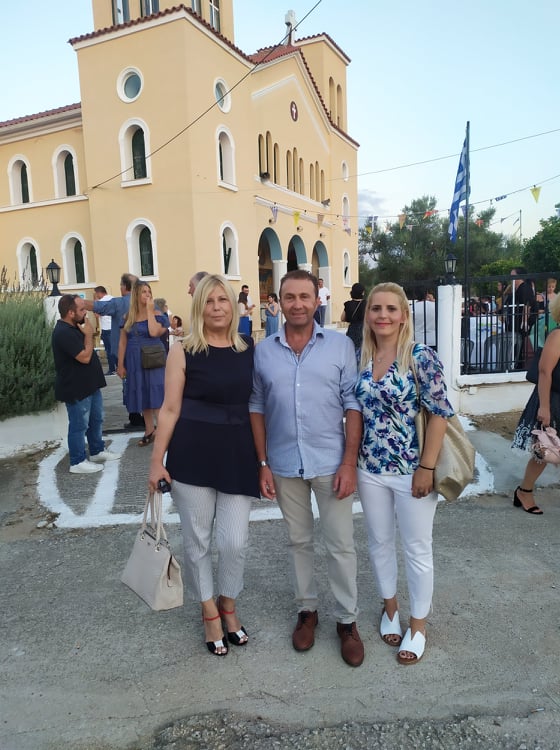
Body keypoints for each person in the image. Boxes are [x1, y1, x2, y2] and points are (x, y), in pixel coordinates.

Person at [249, 270, 364, 668]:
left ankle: (347, 621)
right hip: (283, 463)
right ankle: (307, 611)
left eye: (304, 297)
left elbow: (353, 404)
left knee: (340, 544)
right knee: (298, 541)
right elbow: (256, 406)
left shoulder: (340, 346)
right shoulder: (263, 351)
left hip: (331, 463)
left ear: (318, 301)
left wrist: (349, 462)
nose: (297, 304)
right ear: (278, 302)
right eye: (289, 297)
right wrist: (263, 463)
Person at [148, 274, 259, 656]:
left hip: (238, 453)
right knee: (197, 541)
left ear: (233, 305)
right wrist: (156, 461)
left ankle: (229, 602)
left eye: (222, 300)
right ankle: (210, 611)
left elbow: (260, 404)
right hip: (192, 453)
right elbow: (169, 409)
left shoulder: (249, 348)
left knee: (234, 541)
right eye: (209, 301)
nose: (216, 307)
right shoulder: (182, 350)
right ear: (199, 306)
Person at [355, 282, 454, 666]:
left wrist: (426, 467)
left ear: (404, 316)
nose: (383, 315)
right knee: (379, 542)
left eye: (390, 309)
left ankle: (418, 626)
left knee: (417, 548)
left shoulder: (419, 356)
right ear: (368, 315)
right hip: (369, 469)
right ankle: (391, 608)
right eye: (376, 308)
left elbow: (440, 413)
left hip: (412, 470)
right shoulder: (363, 356)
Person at [52, 294, 122, 474]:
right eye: (82, 309)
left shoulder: (76, 326)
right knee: (79, 425)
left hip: (89, 384)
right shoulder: (63, 332)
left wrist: (87, 332)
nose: (86, 312)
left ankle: (97, 450)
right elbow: (84, 357)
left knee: (96, 420)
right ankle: (77, 461)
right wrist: (89, 335)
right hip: (76, 387)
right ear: (70, 313)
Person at [512, 293, 560, 515]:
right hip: (552, 399)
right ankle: (524, 491)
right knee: (544, 450)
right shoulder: (557, 336)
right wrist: (544, 407)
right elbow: (544, 372)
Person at [83, 273, 143, 429]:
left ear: (124, 287)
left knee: (129, 383)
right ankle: (147, 415)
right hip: (144, 350)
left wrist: (76, 302)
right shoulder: (146, 301)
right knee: (144, 382)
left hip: (125, 351)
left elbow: (98, 307)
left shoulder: (119, 303)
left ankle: (135, 416)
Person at [117, 281, 168, 446]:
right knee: (142, 394)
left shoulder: (157, 313)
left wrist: (150, 311)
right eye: (144, 292)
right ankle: (149, 430)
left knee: (157, 394)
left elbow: (154, 332)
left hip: (153, 358)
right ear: (136, 295)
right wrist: (120, 364)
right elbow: (122, 342)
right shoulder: (127, 317)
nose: (148, 295)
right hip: (134, 358)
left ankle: (163, 432)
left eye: (149, 291)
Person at [93, 286, 117, 375]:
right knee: (116, 349)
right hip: (114, 328)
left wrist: (95, 301)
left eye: (96, 294)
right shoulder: (113, 299)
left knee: (109, 350)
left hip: (106, 329)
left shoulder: (100, 302)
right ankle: (119, 366)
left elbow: (96, 315)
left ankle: (112, 369)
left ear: (99, 293)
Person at [341, 282, 366, 352]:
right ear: (362, 292)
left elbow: (342, 318)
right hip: (363, 330)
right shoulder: (366, 304)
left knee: (351, 351)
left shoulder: (348, 304)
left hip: (352, 330)